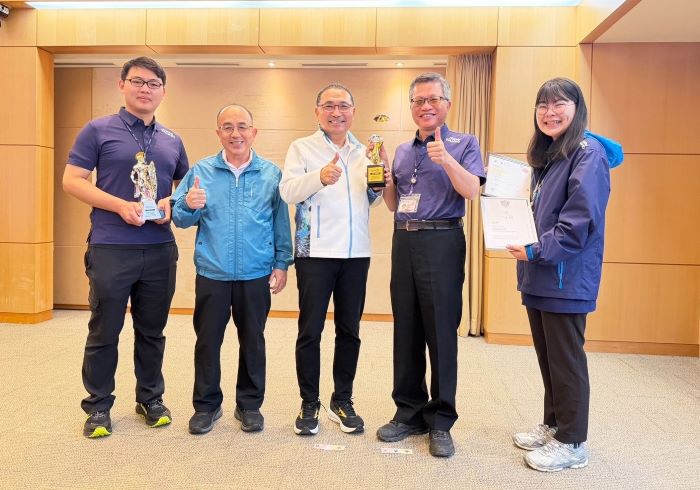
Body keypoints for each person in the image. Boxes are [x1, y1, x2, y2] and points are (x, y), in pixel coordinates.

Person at [63, 57, 189, 438]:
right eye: (137, 81)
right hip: (111, 247)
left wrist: (170, 203)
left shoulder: (172, 139)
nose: (145, 89)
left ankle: (150, 398)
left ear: (163, 91)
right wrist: (119, 206)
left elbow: (184, 185)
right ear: (122, 85)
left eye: (153, 83)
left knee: (152, 331)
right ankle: (98, 405)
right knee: (105, 330)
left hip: (159, 249)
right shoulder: (97, 130)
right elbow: (72, 180)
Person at [506, 77, 618, 472]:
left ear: (577, 108)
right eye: (543, 105)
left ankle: (572, 442)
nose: (550, 112)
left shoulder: (588, 154)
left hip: (565, 277)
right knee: (549, 358)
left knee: (566, 361)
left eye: (559, 104)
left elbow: (578, 223)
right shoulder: (552, 155)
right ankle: (554, 425)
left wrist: (536, 250)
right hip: (540, 273)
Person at [375, 72, 485, 458]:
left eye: (433, 99)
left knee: (440, 330)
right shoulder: (403, 151)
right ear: (411, 107)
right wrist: (386, 179)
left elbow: (472, 191)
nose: (426, 106)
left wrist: (447, 160)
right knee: (406, 328)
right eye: (419, 100)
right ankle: (408, 413)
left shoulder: (464, 143)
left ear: (447, 104)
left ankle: (440, 420)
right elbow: (394, 203)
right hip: (404, 239)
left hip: (443, 239)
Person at [171, 104, 293, 435]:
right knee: (207, 341)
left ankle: (249, 405)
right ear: (218, 133)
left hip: (256, 272)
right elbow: (179, 218)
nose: (235, 133)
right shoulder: (201, 171)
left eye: (242, 126)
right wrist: (188, 205)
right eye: (227, 127)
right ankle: (206, 406)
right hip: (213, 272)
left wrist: (282, 262)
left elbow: (280, 223)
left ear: (254, 132)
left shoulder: (271, 174)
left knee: (253, 340)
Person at [279, 83, 381, 436]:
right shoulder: (302, 148)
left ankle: (342, 400)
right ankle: (309, 402)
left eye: (343, 106)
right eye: (329, 106)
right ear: (317, 111)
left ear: (353, 111)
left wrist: (378, 184)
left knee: (350, 330)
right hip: (315, 253)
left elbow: (369, 199)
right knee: (310, 330)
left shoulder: (365, 151)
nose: (336, 112)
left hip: (356, 253)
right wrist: (318, 177)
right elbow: (287, 191)